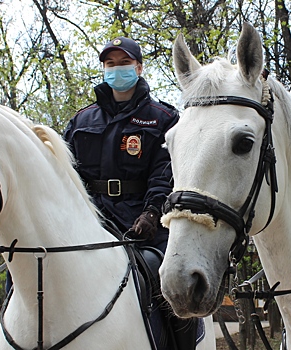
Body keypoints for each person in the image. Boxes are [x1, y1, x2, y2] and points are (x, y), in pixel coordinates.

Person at [62, 37, 196, 350]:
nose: (117, 69)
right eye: (110, 64)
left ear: (138, 67)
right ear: (103, 69)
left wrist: (151, 213)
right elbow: (65, 174)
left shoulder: (164, 118)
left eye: (124, 63)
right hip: (91, 222)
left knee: (169, 281)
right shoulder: (81, 121)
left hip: (145, 226)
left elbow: (166, 172)